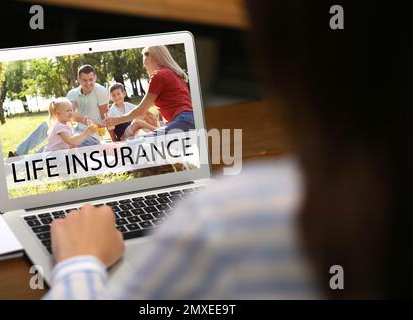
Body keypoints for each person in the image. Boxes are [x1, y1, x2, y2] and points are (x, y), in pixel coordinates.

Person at [44, 0, 413, 299]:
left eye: (142, 58)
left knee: (145, 141)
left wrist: (79, 261)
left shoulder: (232, 218)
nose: (141, 64)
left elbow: (141, 113)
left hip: (164, 134)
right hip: (162, 127)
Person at [8, 65, 109, 156]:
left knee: (60, 143)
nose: (88, 83)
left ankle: (37, 159)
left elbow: (105, 117)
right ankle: (18, 153)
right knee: (46, 125)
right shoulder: (73, 93)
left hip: (91, 135)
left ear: (95, 78)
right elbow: (70, 113)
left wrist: (108, 135)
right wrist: (84, 120)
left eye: (91, 79)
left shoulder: (101, 91)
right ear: (78, 80)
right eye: (84, 80)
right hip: (75, 129)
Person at [102, 46, 195, 135]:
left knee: (139, 145)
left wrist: (116, 120)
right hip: (190, 120)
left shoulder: (159, 75)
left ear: (150, 58)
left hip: (182, 122)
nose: (144, 66)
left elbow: (140, 110)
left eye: (144, 62)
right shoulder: (176, 74)